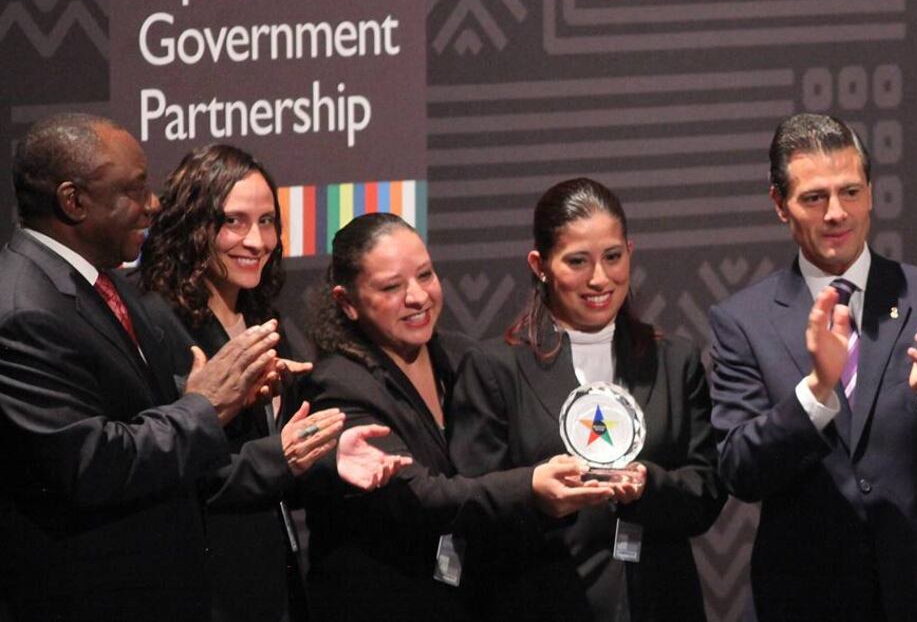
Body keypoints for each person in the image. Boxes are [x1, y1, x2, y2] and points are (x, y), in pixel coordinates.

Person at [709, 113, 917, 621]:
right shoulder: (742, 322)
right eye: (814, 198)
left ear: (872, 193)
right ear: (779, 205)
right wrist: (815, 392)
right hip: (808, 597)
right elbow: (739, 470)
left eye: (851, 192)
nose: (837, 213)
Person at [0, 113, 282, 620]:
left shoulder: (87, 284)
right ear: (73, 201)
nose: (153, 205)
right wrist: (204, 406)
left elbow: (124, 409)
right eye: (135, 189)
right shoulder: (25, 310)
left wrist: (225, 394)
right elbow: (89, 464)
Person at [302, 213, 614, 622]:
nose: (418, 297)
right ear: (348, 302)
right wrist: (529, 486)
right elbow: (419, 498)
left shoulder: (463, 355)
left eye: (426, 275)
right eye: (392, 287)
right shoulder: (338, 386)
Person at [449, 178, 726, 622]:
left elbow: (707, 491)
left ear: (630, 253)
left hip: (658, 603)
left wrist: (646, 484)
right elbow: (470, 508)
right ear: (540, 265)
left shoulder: (675, 360)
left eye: (613, 257)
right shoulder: (495, 368)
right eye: (577, 261)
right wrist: (537, 495)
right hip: (543, 603)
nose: (600, 278)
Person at [137, 144, 361, 621]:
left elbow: (283, 463)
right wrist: (283, 455)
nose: (257, 241)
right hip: (203, 583)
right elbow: (177, 472)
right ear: (192, 226)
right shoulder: (158, 323)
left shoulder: (262, 319)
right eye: (234, 221)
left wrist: (334, 458)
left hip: (273, 576)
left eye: (267, 222)